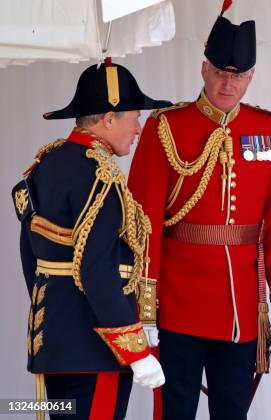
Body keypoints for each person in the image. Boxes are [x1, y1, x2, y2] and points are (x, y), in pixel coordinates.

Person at [127, 8, 271, 420]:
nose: (228, 83)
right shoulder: (166, 127)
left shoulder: (268, 128)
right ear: (203, 70)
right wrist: (144, 305)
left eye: (238, 75)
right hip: (178, 304)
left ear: (251, 77)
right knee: (176, 412)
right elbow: (143, 219)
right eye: (221, 72)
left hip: (241, 308)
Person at [12, 59, 171, 419]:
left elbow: (30, 256)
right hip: (96, 348)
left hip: (53, 342)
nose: (138, 126)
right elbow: (98, 268)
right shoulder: (100, 177)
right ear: (109, 118)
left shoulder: (46, 163)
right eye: (133, 115)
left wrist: (59, 312)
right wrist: (135, 351)